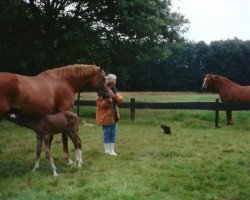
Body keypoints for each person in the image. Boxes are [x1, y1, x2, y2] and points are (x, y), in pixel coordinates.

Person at [96, 74, 123, 156]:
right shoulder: (102, 91)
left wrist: (114, 96)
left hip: (114, 115)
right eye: (115, 80)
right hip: (106, 117)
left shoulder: (115, 90)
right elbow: (99, 105)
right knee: (107, 133)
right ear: (111, 82)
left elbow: (120, 100)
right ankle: (107, 151)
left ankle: (112, 150)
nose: (115, 82)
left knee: (113, 133)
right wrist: (107, 101)